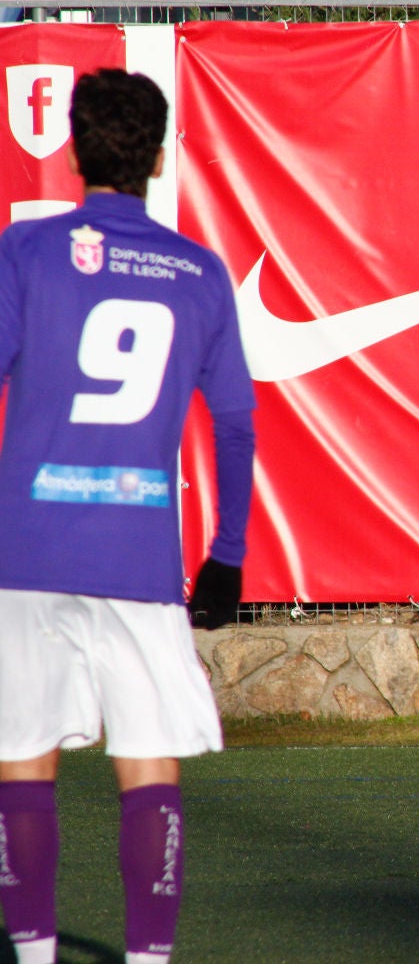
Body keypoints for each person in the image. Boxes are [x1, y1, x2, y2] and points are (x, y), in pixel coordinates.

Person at [0, 69, 256, 964]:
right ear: (156, 155)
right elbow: (233, 419)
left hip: (26, 552)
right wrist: (227, 554)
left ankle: (34, 959)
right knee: (147, 767)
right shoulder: (195, 270)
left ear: (71, 150)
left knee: (24, 759)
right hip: (139, 557)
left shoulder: (24, 253)